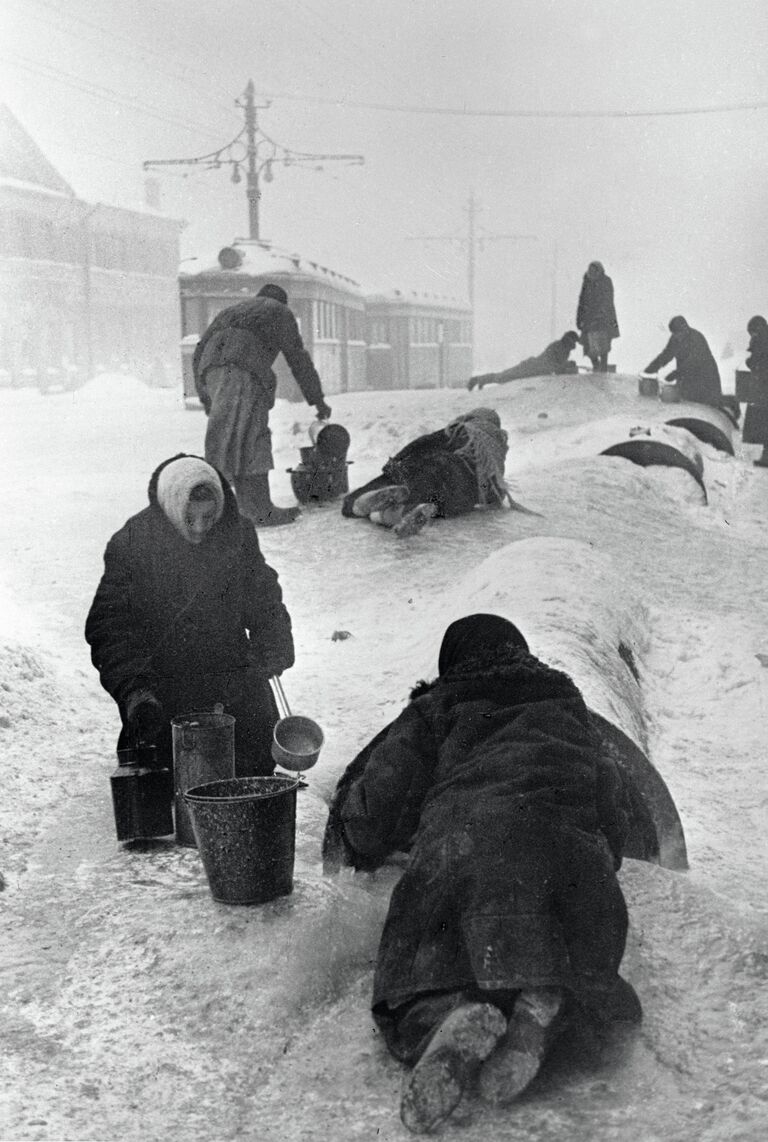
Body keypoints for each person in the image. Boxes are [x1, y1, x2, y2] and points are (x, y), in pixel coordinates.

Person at [323, 614, 641, 1135]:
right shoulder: (568, 706)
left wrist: (354, 833)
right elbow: (616, 809)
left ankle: (450, 1013)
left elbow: (377, 808)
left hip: (466, 849)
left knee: (419, 974)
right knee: (578, 973)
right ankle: (544, 1010)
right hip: (573, 868)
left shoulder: (435, 708)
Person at [85, 454, 295, 775]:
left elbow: (263, 596)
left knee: (252, 770)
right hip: (164, 683)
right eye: (189, 518)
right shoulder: (131, 543)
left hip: (230, 675)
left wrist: (273, 641)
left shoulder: (236, 533)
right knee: (172, 778)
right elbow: (110, 628)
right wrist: (135, 690)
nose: (199, 529)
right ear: (171, 507)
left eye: (209, 517)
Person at [192, 283, 332, 527]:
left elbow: (199, 351)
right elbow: (298, 359)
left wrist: (206, 398)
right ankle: (257, 510)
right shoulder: (279, 311)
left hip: (210, 370)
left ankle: (219, 511)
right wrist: (317, 399)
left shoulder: (232, 310)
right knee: (253, 436)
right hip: (242, 367)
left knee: (222, 439)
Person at [341, 408, 516, 538]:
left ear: (471, 417)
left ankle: (358, 506)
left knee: (401, 486)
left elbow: (422, 443)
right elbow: (494, 495)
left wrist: (393, 465)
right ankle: (397, 513)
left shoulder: (464, 428)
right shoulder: (496, 455)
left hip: (433, 469)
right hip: (456, 500)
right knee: (428, 504)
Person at [643, 315, 725, 409]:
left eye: (678, 333)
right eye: (674, 334)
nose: (677, 336)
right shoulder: (675, 338)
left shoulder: (697, 338)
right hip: (687, 379)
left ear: (685, 328)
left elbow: (692, 362)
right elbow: (666, 355)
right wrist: (650, 369)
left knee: (704, 408)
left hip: (705, 381)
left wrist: (674, 374)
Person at [467, 331, 580, 391]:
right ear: (569, 341)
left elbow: (557, 367)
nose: (573, 346)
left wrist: (568, 366)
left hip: (535, 370)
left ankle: (481, 380)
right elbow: (552, 365)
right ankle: (477, 380)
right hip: (532, 367)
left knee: (505, 376)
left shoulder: (564, 350)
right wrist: (567, 366)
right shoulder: (557, 346)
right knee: (505, 376)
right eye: (573, 342)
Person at [576, 261, 620, 372]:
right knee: (587, 345)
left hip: (604, 318)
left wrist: (601, 314)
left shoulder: (606, 281)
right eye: (590, 270)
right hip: (588, 318)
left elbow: (608, 299)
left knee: (604, 345)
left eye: (594, 270)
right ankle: (596, 365)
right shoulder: (587, 281)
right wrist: (579, 318)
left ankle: (603, 367)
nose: (592, 272)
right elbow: (582, 300)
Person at [741, 315, 768, 467]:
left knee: (764, 419)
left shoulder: (761, 340)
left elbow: (757, 360)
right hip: (763, 386)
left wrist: (749, 362)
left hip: (764, 387)